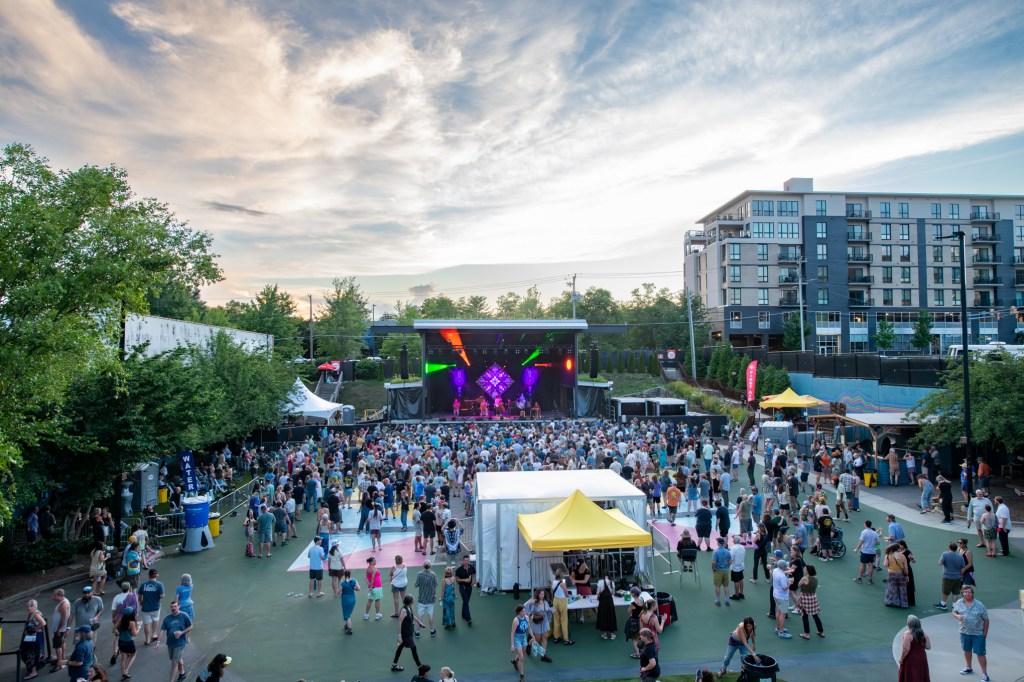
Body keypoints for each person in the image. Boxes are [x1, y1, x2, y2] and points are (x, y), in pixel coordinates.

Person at [952, 586, 989, 681]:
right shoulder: (959, 603)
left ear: (972, 593)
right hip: (964, 632)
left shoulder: (979, 605)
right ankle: (968, 667)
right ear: (962, 593)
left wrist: (984, 634)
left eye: (969, 592)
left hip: (978, 634)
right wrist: (957, 616)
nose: (967, 593)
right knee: (967, 650)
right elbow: (954, 612)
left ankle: (984, 674)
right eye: (965, 592)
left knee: (980, 653)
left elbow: (986, 619)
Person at [154, 600, 192, 682]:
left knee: (174, 663)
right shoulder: (167, 618)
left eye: (175, 606)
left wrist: (182, 633)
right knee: (176, 658)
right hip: (170, 643)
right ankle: (182, 673)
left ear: (179, 606)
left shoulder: (184, 616)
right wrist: (158, 642)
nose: (173, 608)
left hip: (180, 643)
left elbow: (190, 626)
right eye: (172, 607)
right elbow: (162, 630)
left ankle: (171, 680)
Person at [391, 595, 425, 672]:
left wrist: (419, 622)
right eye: (413, 598)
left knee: (400, 647)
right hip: (405, 633)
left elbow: (412, 615)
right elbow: (399, 622)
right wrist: (399, 636)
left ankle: (394, 665)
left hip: (409, 631)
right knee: (413, 647)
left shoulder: (409, 607)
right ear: (410, 601)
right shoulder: (404, 610)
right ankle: (420, 667)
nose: (414, 599)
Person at [899, 615, 932, 682]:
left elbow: (906, 649)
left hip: (911, 659)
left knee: (911, 676)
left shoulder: (907, 634)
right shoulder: (923, 634)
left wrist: (901, 659)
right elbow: (928, 647)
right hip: (922, 657)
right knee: (921, 675)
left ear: (909, 624)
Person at [525, 588, 554, 662]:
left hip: (544, 621)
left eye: (543, 594)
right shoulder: (533, 601)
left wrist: (551, 612)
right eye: (541, 594)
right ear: (537, 594)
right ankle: (529, 645)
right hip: (536, 623)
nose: (542, 596)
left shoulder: (546, 602)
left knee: (544, 638)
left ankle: (543, 655)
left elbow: (549, 610)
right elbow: (525, 607)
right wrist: (531, 603)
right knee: (537, 639)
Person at [934, 542, 965, 610]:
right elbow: (963, 569)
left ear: (949, 548)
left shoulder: (945, 554)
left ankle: (943, 604)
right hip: (957, 578)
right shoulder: (960, 557)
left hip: (947, 577)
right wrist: (961, 576)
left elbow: (940, 563)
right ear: (956, 548)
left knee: (945, 591)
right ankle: (954, 606)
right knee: (955, 592)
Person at [20, 599, 46, 680]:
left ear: (35, 607)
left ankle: (33, 672)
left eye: (31, 606)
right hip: (30, 637)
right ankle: (32, 669)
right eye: (28, 606)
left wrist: (35, 629)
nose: (29, 608)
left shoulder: (35, 614)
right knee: (27, 653)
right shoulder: (32, 613)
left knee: (31, 654)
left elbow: (43, 623)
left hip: (33, 638)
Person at [797, 564, 825, 639]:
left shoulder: (805, 578)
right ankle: (821, 631)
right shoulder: (815, 578)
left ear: (807, 570)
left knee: (805, 615)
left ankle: (807, 634)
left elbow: (798, 585)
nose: (804, 569)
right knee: (815, 615)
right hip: (813, 597)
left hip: (805, 598)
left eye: (805, 569)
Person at [139, 569, 165, 645]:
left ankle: (147, 639)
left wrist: (141, 601)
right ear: (157, 575)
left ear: (149, 575)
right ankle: (154, 634)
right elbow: (162, 596)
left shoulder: (143, 585)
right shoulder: (160, 584)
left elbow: (140, 595)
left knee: (147, 623)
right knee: (155, 620)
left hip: (145, 607)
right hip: (155, 606)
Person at [510, 604, 535, 682]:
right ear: (519, 612)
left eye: (525, 611)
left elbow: (529, 628)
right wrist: (512, 645)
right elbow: (512, 633)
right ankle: (522, 676)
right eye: (522, 611)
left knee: (523, 654)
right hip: (517, 639)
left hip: (523, 637)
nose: (524, 613)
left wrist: (533, 637)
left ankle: (514, 661)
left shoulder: (527, 618)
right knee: (521, 658)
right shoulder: (516, 620)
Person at [114, 606, 140, 680]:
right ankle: (126, 671)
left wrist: (118, 633)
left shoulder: (121, 620)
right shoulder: (132, 623)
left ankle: (123, 673)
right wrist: (139, 627)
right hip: (129, 642)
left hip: (121, 641)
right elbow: (135, 634)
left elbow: (114, 629)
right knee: (133, 655)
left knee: (123, 659)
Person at [49, 588, 71, 674]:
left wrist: (59, 629)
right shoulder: (62, 602)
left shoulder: (63, 604)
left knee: (58, 645)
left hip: (60, 629)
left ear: (59, 595)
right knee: (61, 643)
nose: (53, 597)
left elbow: (64, 618)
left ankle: (59, 663)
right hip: (61, 629)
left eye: (54, 595)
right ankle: (62, 658)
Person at [414, 560, 438, 637]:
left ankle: (417, 631)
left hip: (421, 598)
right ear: (430, 566)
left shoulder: (419, 574)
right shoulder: (433, 574)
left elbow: (416, 585)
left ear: (423, 566)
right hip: (430, 598)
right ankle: (432, 630)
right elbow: (435, 585)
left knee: (420, 615)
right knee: (430, 614)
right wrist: (434, 594)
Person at [550, 569, 573, 645]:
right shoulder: (562, 584)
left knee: (556, 619)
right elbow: (566, 594)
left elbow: (551, 592)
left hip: (555, 601)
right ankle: (566, 639)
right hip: (562, 601)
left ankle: (556, 637)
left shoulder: (552, 582)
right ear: (561, 575)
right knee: (564, 619)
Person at [771, 558, 793, 638]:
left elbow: (782, 573)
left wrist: (787, 573)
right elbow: (784, 588)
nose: (787, 566)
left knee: (779, 611)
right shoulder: (782, 576)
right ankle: (781, 631)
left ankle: (778, 628)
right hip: (782, 597)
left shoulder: (775, 570)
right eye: (786, 565)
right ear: (783, 567)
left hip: (776, 595)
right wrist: (790, 583)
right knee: (783, 615)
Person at [883, 544, 910, 608]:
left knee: (892, 589)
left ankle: (891, 602)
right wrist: (907, 575)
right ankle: (904, 604)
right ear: (898, 549)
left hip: (891, 574)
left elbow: (885, 565)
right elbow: (906, 567)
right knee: (902, 590)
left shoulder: (888, 555)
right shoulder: (903, 556)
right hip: (901, 574)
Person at [853, 520, 879, 584]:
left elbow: (861, 541)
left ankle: (859, 578)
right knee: (871, 565)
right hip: (872, 552)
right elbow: (877, 543)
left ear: (865, 524)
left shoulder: (864, 532)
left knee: (862, 564)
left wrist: (856, 549)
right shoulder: (875, 533)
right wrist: (876, 551)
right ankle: (870, 579)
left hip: (865, 552)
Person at [454, 554, 476, 626]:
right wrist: (464, 580)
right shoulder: (459, 570)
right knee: (466, 601)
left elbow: (474, 574)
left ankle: (463, 614)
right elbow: (457, 579)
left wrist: (473, 581)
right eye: (465, 560)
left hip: (469, 587)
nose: (466, 562)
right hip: (462, 587)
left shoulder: (471, 567)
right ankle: (468, 618)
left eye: (467, 560)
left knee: (466, 601)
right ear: (462, 561)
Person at [595, 571, 618, 640]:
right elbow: (613, 593)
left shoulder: (600, 582)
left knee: (603, 616)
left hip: (602, 601)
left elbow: (597, 592)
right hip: (610, 601)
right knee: (611, 616)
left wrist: (599, 594)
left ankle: (604, 634)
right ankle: (612, 634)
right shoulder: (612, 582)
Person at [711, 536, 733, 606]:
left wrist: (713, 568)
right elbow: (730, 561)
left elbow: (714, 562)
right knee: (726, 586)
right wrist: (727, 567)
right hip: (726, 571)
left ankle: (718, 600)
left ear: (718, 543)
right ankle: (727, 600)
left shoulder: (716, 552)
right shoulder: (727, 551)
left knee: (718, 586)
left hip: (718, 571)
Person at [339, 569, 360, 635]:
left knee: (347, 615)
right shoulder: (353, 581)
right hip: (352, 599)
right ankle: (347, 625)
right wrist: (353, 588)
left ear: (344, 575)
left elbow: (337, 592)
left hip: (345, 600)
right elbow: (358, 589)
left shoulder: (343, 584)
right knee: (348, 613)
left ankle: (349, 629)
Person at [364, 556, 384, 620]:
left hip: (371, 587)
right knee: (377, 600)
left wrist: (369, 585)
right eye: (374, 561)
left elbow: (366, 579)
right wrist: (372, 586)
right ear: (370, 562)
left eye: (375, 560)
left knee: (370, 600)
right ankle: (377, 615)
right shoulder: (374, 569)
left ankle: (366, 615)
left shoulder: (368, 568)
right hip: (376, 587)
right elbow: (372, 578)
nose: (375, 561)